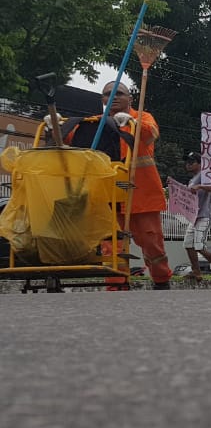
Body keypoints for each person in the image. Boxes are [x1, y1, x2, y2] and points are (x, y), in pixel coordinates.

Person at [65, 84, 172, 289]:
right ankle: (116, 286)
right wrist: (55, 125)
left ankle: (161, 280)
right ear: (102, 99)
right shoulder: (95, 124)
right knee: (111, 246)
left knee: (152, 243)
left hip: (142, 195)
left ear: (130, 98)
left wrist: (132, 122)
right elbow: (69, 138)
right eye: (108, 94)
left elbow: (151, 133)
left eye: (119, 93)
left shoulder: (143, 117)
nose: (113, 97)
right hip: (109, 196)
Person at [181, 151, 211, 286]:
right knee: (188, 244)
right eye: (187, 162)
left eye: (192, 162)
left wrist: (201, 186)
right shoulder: (193, 179)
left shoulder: (204, 175)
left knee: (199, 246)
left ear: (200, 164)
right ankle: (196, 271)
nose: (188, 164)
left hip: (204, 215)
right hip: (194, 217)